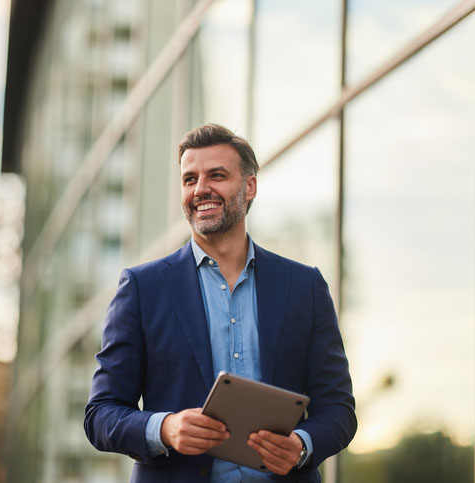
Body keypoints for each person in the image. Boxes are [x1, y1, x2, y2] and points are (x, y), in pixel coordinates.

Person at [84, 123, 356, 482]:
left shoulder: (304, 286)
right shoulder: (141, 288)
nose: (200, 190)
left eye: (217, 175)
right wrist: (164, 428)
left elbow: (338, 408)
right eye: (189, 179)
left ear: (250, 186)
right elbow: (100, 413)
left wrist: (302, 445)